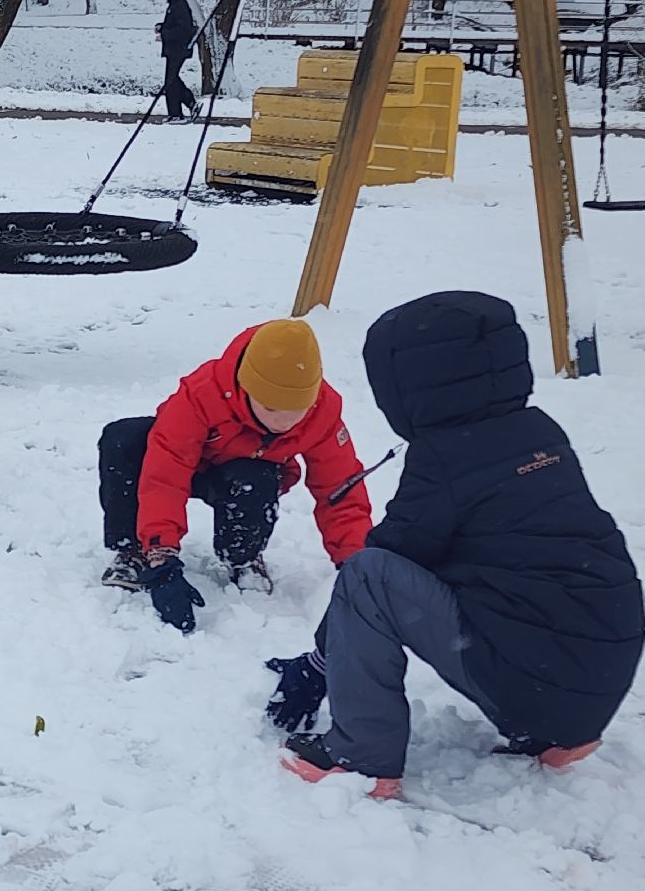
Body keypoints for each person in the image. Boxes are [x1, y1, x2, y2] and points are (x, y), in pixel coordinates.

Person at [271, 292, 643, 800]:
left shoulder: (444, 458)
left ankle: (361, 756)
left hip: (542, 675)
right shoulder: (540, 433)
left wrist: (320, 661)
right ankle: (551, 733)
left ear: (408, 388)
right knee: (492, 580)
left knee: (368, 574)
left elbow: (389, 559)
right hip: (600, 668)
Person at [97, 320, 372, 634]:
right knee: (124, 440)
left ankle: (244, 556)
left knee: (255, 477)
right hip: (190, 460)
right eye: (270, 407)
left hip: (245, 474)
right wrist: (161, 555)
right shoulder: (201, 393)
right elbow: (165, 475)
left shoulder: (324, 412)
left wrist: (358, 562)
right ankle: (133, 549)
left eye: (297, 410)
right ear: (246, 387)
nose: (283, 422)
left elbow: (341, 490)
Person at [156, 0, 200, 124]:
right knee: (172, 80)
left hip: (178, 49)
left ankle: (179, 112)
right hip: (173, 49)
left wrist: (164, 35)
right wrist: (162, 27)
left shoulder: (180, 6)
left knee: (171, 80)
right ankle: (185, 107)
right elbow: (174, 25)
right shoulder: (174, 5)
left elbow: (183, 30)